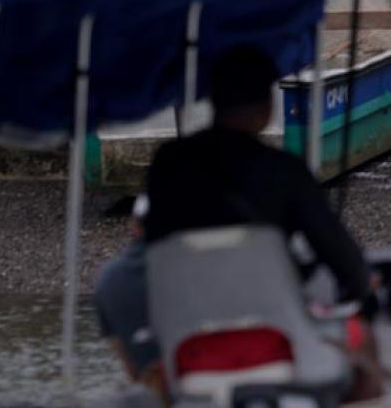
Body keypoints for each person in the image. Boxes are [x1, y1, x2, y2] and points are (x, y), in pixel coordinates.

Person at [145, 45, 371, 302]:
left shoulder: (169, 161)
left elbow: (153, 240)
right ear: (267, 107)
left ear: (213, 100)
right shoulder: (284, 170)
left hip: (181, 320)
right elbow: (340, 255)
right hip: (268, 318)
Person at [95, 195, 164, 398]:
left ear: (134, 226)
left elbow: (129, 364)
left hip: (150, 386)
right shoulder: (195, 266)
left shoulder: (109, 278)